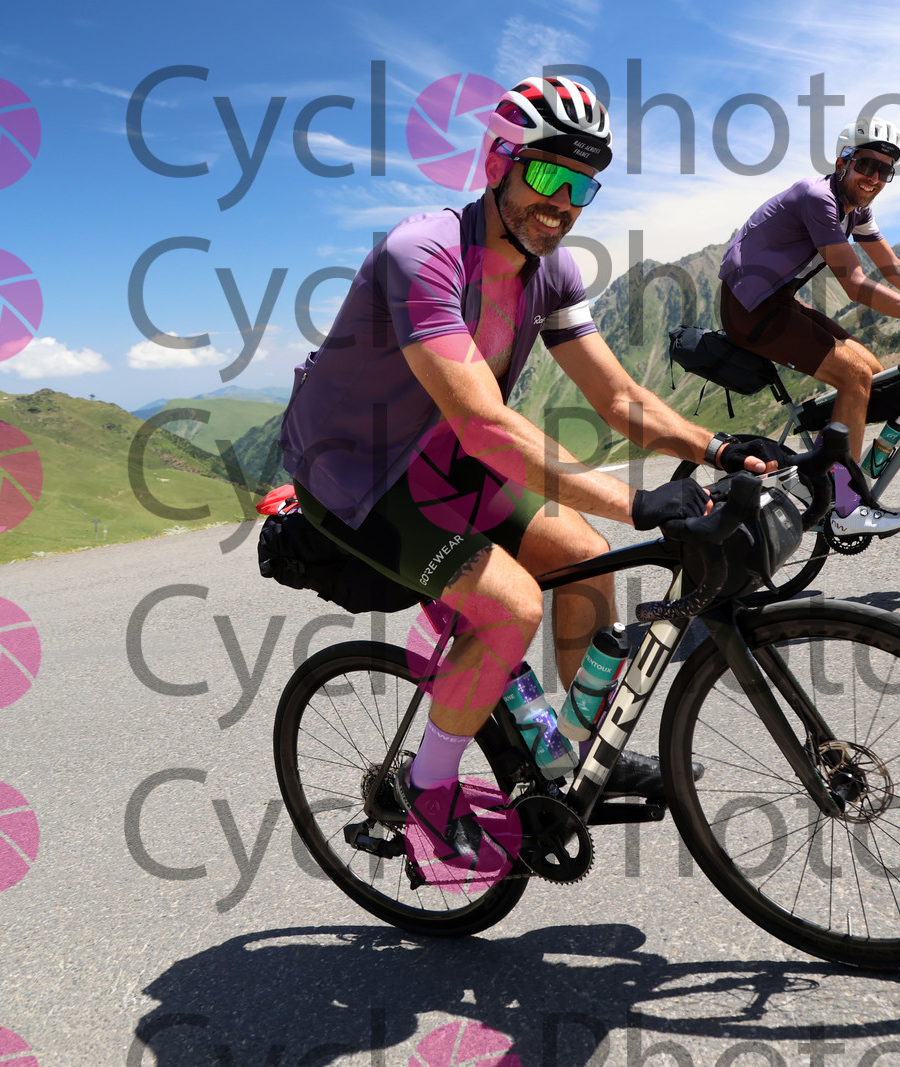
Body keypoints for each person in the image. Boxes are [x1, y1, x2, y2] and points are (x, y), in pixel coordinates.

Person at [276, 76, 787, 854]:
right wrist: (637, 501)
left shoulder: (553, 273)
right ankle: (425, 791)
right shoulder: (424, 254)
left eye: (583, 186)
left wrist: (715, 447)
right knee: (510, 606)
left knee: (585, 555)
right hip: (357, 475)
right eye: (549, 174)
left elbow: (619, 397)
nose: (564, 202)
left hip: (443, 460)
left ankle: (574, 753)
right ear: (498, 164)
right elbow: (484, 424)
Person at [717, 116, 900, 537]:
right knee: (855, 376)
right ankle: (845, 505)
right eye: (866, 165)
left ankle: (820, 471)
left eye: (884, 171)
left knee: (873, 373)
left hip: (777, 301)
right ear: (843, 162)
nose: (873, 178)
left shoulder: (856, 211)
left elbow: (893, 268)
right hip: (749, 309)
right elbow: (856, 285)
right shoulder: (818, 198)